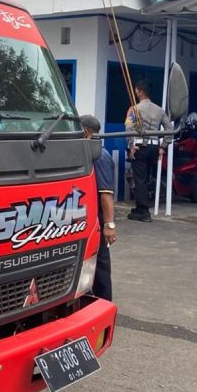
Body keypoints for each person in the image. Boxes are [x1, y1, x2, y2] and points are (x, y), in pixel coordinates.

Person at [124, 80, 174, 222]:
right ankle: (141, 207)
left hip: (140, 146)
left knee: (139, 179)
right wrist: (163, 146)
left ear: (139, 91)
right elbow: (170, 129)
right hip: (154, 147)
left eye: (136, 90)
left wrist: (131, 145)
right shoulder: (159, 110)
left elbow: (129, 129)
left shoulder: (134, 109)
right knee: (147, 178)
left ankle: (143, 211)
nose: (135, 92)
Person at [80, 114, 116, 301]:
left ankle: (104, 301)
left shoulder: (100, 156)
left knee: (101, 261)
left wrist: (109, 225)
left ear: (85, 131)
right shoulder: (89, 153)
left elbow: (106, 194)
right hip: (89, 217)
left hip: (99, 219)